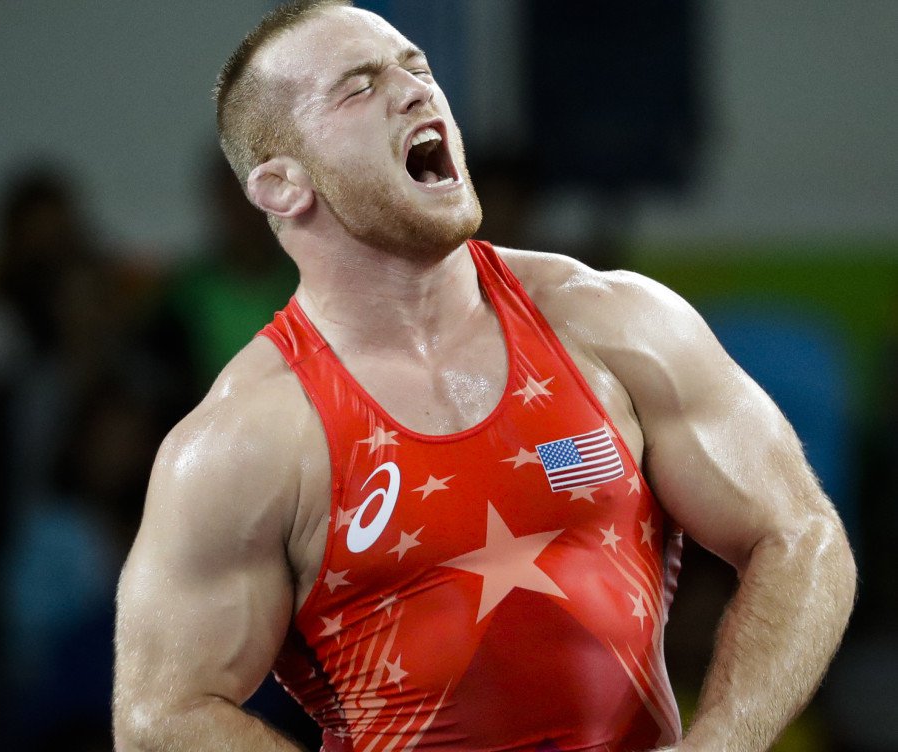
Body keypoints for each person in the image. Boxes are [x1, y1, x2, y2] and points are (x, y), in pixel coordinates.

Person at [112, 2, 856, 751]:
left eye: (416, 68)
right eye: (359, 86)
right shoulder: (244, 439)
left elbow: (799, 536)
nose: (415, 91)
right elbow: (161, 717)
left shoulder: (609, 323)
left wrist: (723, 742)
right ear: (281, 185)